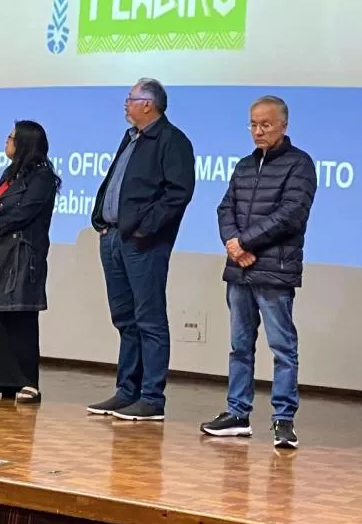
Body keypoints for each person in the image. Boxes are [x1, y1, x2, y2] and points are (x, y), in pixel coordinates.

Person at [200, 96, 317, 449]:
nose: (258, 131)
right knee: (239, 346)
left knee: (282, 348)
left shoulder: (300, 164)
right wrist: (233, 243)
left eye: (265, 124)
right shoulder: (244, 165)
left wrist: (245, 242)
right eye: (253, 124)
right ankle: (237, 413)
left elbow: (291, 214)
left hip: (274, 270)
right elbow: (225, 208)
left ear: (283, 125)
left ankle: (283, 419)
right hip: (239, 270)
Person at [87, 78, 195, 421]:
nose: (125, 103)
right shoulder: (131, 137)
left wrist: (144, 228)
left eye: (130, 98)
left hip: (143, 243)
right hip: (113, 238)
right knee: (125, 319)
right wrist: (102, 221)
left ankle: (151, 398)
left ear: (148, 104)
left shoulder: (172, 140)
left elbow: (178, 193)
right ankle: (126, 392)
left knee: (149, 319)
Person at [0, 120, 60, 404]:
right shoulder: (10, 174)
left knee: (18, 317)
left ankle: (25, 382)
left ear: (24, 143)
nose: (6, 141)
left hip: (22, 256)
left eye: (11, 137)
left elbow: (24, 213)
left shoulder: (42, 177)